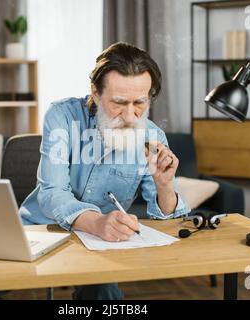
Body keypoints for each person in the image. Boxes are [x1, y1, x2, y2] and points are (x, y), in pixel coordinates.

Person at [20, 42, 191, 300]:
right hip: (44, 230)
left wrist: (165, 186)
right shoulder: (62, 116)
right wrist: (97, 222)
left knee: (104, 293)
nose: (131, 116)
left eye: (140, 103)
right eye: (119, 102)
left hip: (101, 242)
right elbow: (52, 192)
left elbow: (166, 219)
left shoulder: (153, 136)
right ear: (96, 93)